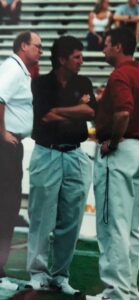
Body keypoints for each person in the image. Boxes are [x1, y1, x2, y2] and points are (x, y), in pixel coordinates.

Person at [86, 28, 139, 300]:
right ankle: (128, 290)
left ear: (119, 47)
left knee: (113, 225)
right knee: (131, 228)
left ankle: (117, 293)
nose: (104, 50)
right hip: (137, 151)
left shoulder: (120, 75)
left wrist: (114, 140)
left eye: (107, 45)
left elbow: (123, 111)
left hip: (119, 154)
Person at [26, 35, 97, 295]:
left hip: (75, 154)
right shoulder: (41, 84)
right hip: (47, 153)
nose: (81, 61)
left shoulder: (84, 81)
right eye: (76, 57)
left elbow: (92, 113)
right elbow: (45, 116)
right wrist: (77, 107)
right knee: (41, 215)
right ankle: (37, 272)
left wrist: (62, 111)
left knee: (72, 218)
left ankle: (60, 275)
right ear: (62, 59)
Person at [0, 31, 42, 290]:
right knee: (6, 207)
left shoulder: (18, 69)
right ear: (23, 46)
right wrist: (2, 132)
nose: (41, 51)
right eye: (37, 46)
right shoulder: (13, 69)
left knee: (8, 208)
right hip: (5, 146)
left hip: (11, 146)